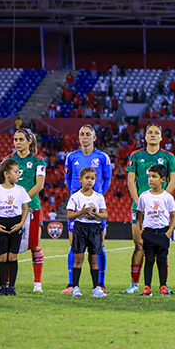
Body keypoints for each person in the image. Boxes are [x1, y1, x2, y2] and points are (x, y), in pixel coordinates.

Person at [124, 123, 175, 294]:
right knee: (139, 245)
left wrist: (160, 199)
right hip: (139, 206)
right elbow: (131, 181)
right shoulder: (136, 155)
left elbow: (174, 180)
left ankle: (164, 284)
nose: (153, 135)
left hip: (160, 210)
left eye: (156, 133)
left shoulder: (168, 156)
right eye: (149, 132)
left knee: (162, 248)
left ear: (161, 137)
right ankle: (134, 284)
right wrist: (141, 202)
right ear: (145, 136)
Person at [63, 125, 112, 294]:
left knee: (99, 248)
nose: (85, 137)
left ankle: (100, 284)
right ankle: (72, 284)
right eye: (82, 134)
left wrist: (96, 197)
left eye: (88, 134)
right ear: (79, 138)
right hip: (78, 206)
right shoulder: (71, 157)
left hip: (95, 207)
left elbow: (107, 179)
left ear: (94, 137)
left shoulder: (102, 157)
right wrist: (77, 195)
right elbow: (68, 179)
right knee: (74, 248)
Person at [7, 129, 46, 292]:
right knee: (8, 246)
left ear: (29, 141)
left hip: (32, 207)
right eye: (15, 139)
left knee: (34, 245)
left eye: (21, 139)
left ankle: (37, 283)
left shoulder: (38, 160)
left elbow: (39, 185)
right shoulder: (8, 160)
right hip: (10, 208)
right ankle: (7, 282)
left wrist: (22, 199)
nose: (17, 142)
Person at [0, 159, 30, 296]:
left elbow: (25, 208)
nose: (18, 175)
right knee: (2, 257)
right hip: (1, 224)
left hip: (15, 224)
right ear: (6, 174)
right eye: (15, 172)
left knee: (13, 256)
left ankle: (12, 287)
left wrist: (21, 223)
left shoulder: (20, 190)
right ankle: (2, 286)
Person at [136, 164, 175, 297]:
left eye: (154, 176)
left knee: (162, 260)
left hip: (162, 232)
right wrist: (141, 229)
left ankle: (163, 287)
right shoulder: (144, 196)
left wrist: (168, 233)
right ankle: (147, 287)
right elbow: (139, 214)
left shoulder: (167, 197)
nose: (151, 179)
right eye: (149, 176)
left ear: (163, 179)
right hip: (148, 232)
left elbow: (174, 216)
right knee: (148, 260)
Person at [66, 167, 108, 298]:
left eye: (93, 178)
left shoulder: (98, 197)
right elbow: (69, 215)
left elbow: (105, 214)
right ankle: (75, 287)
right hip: (80, 228)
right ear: (80, 180)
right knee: (78, 258)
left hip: (94, 228)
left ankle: (96, 288)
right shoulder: (76, 197)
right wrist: (81, 212)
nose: (90, 181)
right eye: (87, 178)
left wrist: (97, 214)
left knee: (94, 259)